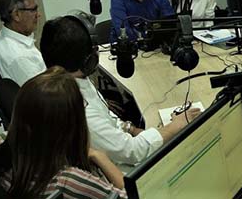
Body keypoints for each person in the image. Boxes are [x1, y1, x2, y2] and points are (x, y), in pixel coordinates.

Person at [40, 13, 200, 168]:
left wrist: (132, 129)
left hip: (120, 149)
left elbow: (106, 117)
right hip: (119, 171)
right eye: (94, 49)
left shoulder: (75, 78)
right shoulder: (80, 109)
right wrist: (175, 126)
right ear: (87, 60)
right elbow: (132, 151)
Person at [0, 67, 127, 198]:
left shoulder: (1, 142)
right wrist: (100, 157)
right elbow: (132, 195)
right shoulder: (68, 181)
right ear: (69, 124)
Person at [0, 0, 45, 86]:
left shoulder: (2, 37)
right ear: (16, 15)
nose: (38, 15)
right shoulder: (20, 58)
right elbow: (45, 96)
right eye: (33, 10)